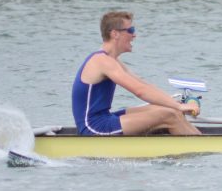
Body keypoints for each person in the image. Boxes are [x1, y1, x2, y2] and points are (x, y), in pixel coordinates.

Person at [72, 11, 201, 136]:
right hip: (93, 127)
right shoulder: (102, 61)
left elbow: (144, 85)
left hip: (105, 117)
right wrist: (179, 107)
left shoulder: (112, 60)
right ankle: (202, 149)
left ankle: (194, 141)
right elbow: (140, 91)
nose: (134, 35)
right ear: (115, 34)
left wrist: (177, 105)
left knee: (169, 110)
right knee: (170, 115)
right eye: (130, 30)